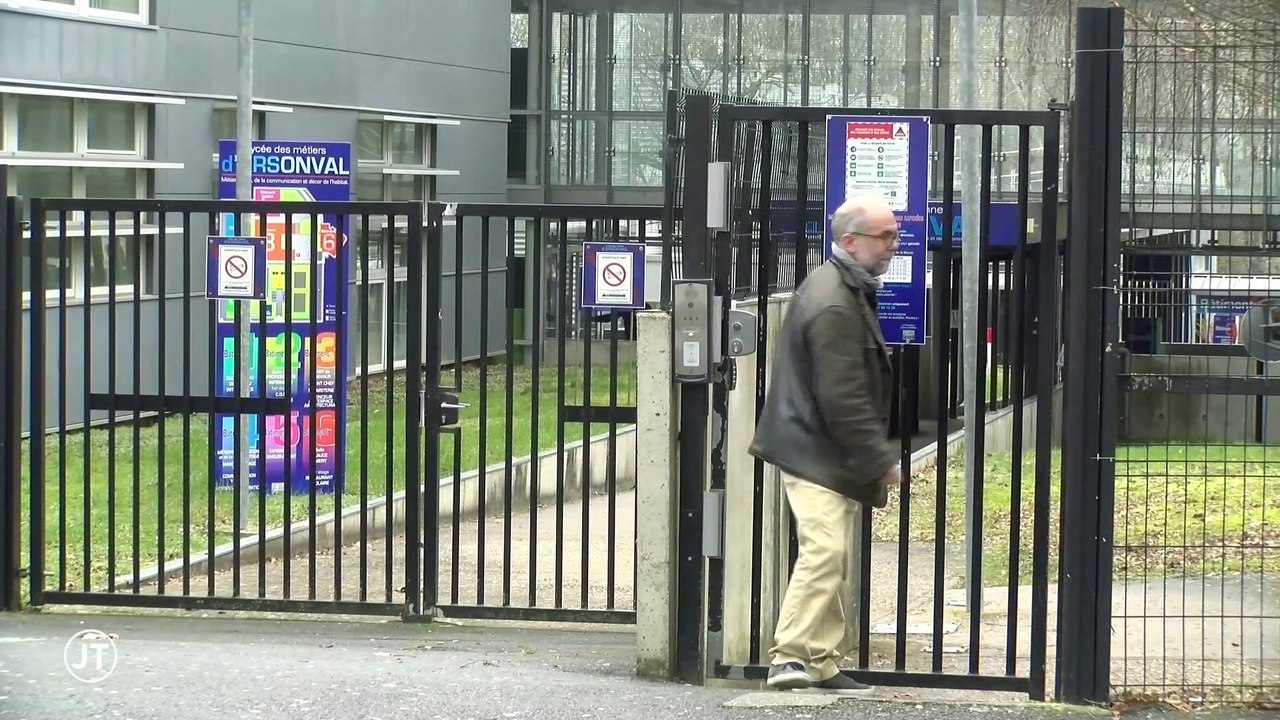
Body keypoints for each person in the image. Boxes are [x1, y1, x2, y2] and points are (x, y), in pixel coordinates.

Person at [747, 192, 904, 694]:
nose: (893, 245)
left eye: (894, 234)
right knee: (825, 550)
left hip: (817, 447)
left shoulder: (843, 287)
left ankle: (821, 659)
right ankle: (790, 655)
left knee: (830, 552)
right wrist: (879, 459)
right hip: (814, 450)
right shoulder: (835, 301)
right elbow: (843, 395)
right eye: (885, 236)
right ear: (849, 240)